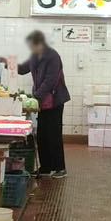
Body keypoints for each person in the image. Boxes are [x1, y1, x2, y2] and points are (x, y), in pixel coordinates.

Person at [16, 30, 70, 177]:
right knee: (42, 135)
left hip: (55, 100)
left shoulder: (53, 57)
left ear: (40, 44)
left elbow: (50, 81)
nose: (31, 50)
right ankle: (45, 167)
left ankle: (60, 168)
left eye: (33, 46)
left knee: (53, 134)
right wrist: (9, 63)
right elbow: (23, 69)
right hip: (42, 102)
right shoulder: (35, 56)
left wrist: (35, 97)